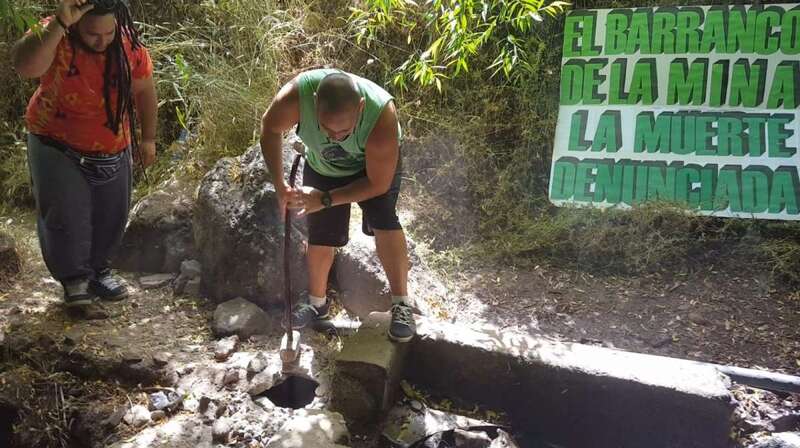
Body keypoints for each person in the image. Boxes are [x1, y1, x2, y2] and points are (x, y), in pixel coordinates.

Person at [11, 0, 157, 307]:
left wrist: (149, 139)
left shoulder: (128, 43)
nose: (102, 41)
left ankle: (100, 272)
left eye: (108, 32)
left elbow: (144, 89)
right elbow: (26, 66)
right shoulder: (56, 32)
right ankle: (74, 280)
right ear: (76, 24)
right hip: (55, 141)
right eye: (93, 34)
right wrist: (60, 24)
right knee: (65, 214)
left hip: (112, 144)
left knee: (111, 214)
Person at [260, 68, 415, 342]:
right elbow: (270, 128)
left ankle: (402, 305)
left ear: (361, 108)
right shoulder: (296, 96)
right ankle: (317, 306)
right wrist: (279, 184)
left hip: (372, 171)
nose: (333, 136)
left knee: (384, 221)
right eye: (325, 128)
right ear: (315, 102)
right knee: (321, 234)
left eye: (343, 131)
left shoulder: (381, 116)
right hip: (323, 166)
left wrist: (326, 199)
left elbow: (377, 185)